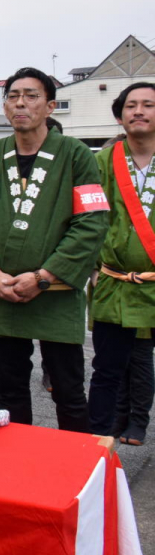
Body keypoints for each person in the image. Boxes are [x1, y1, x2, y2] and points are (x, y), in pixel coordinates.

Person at [0, 67, 108, 432]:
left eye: (31, 96)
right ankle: (17, 474)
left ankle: (77, 472)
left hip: (55, 291)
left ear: (49, 107)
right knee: (9, 388)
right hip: (2, 291)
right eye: (13, 96)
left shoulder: (77, 155)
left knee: (68, 389)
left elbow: (92, 221)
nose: (20, 103)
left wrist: (44, 277)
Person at [88, 82, 155, 440]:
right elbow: (86, 218)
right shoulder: (100, 161)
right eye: (131, 105)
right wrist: (93, 268)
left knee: (141, 363)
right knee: (106, 369)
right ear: (120, 114)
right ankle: (97, 443)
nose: (139, 111)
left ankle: (137, 421)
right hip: (114, 281)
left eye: (148, 105)